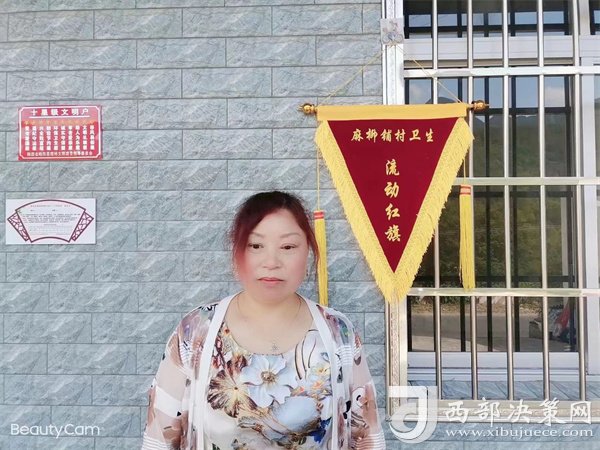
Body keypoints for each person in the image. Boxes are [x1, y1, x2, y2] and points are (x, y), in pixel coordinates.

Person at [142, 191, 386, 450]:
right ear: (237, 251)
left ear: (308, 251)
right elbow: (159, 439)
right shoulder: (196, 331)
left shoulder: (337, 332)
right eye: (256, 246)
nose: (271, 262)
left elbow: (367, 438)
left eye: (288, 247)